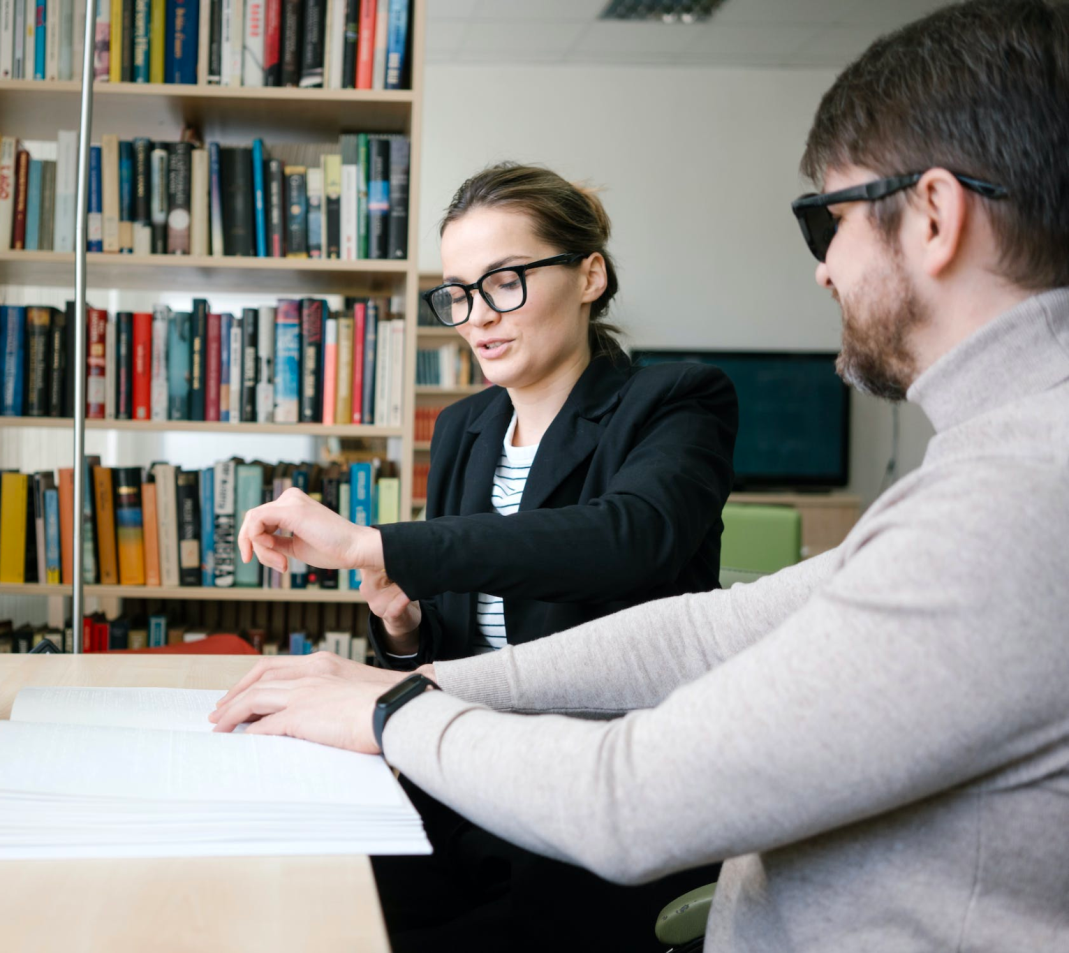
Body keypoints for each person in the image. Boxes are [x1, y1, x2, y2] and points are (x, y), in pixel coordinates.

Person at [213, 2, 1069, 950]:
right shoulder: (988, 469)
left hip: (587, 837)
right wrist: (406, 666)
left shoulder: (1011, 500)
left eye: (826, 223)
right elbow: (703, 629)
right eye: (462, 294)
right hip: (494, 789)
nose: (824, 272)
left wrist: (391, 692)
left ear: (937, 216)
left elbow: (627, 774)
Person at [242, 163, 738, 669]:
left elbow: (629, 539)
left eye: (505, 281)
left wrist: (373, 544)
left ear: (590, 277)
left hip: (617, 732)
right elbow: (453, 644)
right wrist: (406, 627)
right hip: (473, 725)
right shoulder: (461, 427)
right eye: (458, 294)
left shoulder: (678, 398)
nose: (477, 316)